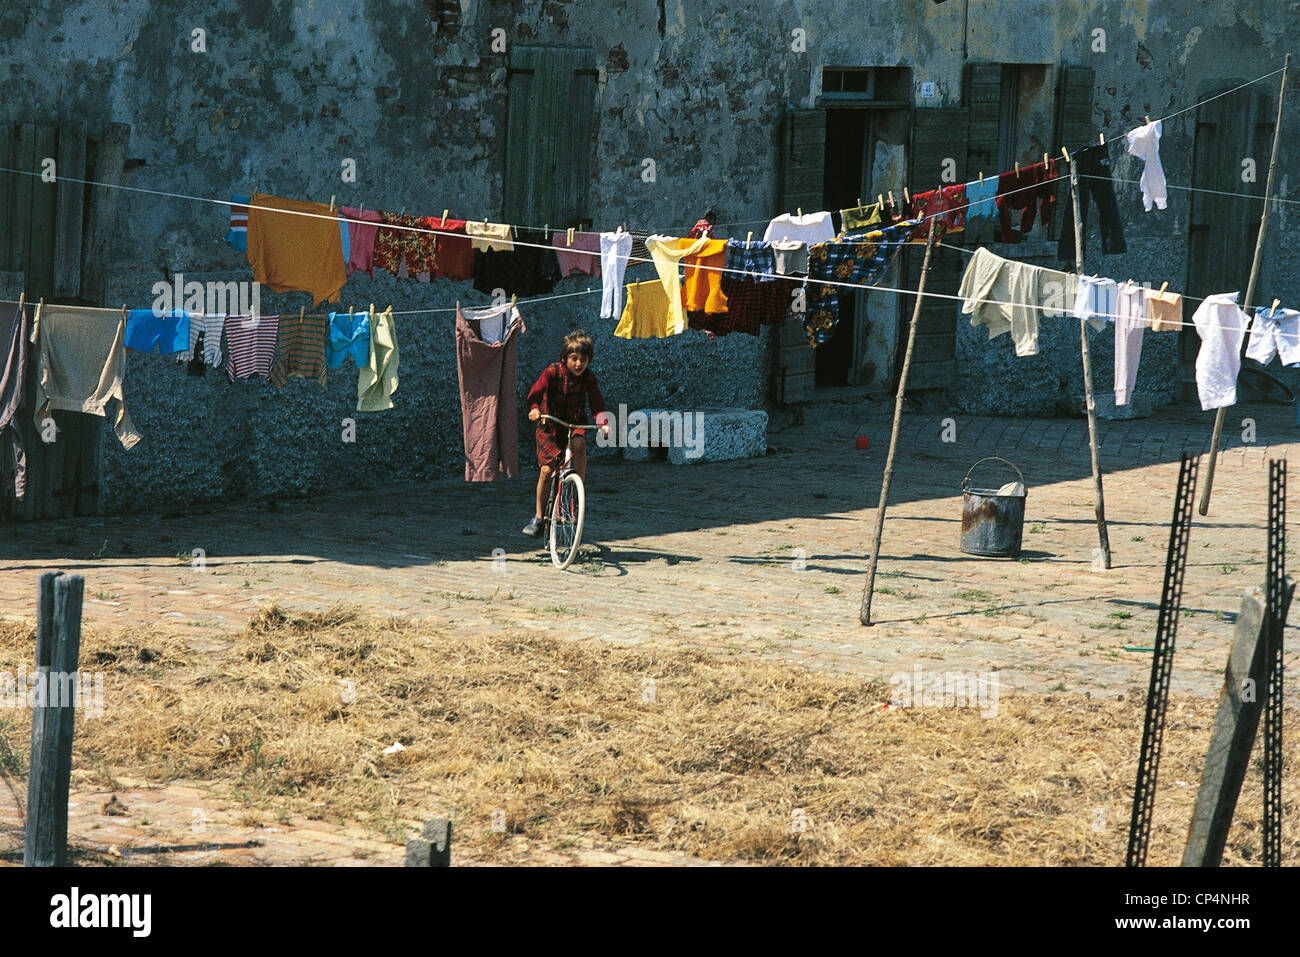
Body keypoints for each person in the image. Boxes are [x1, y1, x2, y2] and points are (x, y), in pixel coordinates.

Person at [522, 329, 611, 537]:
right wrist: (535, 409)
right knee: (546, 470)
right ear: (565, 358)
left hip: (574, 422)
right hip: (550, 424)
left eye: (583, 359)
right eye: (574, 359)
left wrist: (604, 423)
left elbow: (597, 404)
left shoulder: (589, 378)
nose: (579, 364)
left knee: (579, 445)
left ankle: (577, 485)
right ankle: (538, 517)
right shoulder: (552, 372)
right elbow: (535, 393)